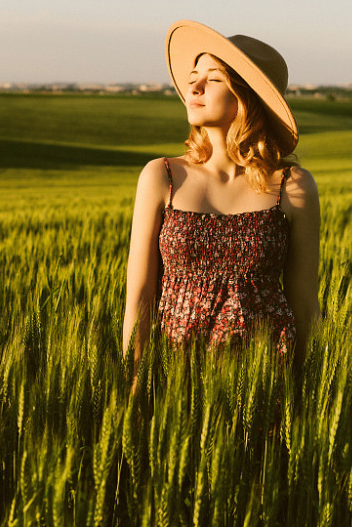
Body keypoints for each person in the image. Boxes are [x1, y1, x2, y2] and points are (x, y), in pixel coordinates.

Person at [122, 20, 321, 377]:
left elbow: (304, 305)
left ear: (246, 99)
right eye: (193, 75)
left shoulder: (293, 187)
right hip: (177, 375)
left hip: (265, 379)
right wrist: (136, 382)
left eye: (213, 79)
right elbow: (139, 297)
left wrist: (304, 393)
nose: (193, 85)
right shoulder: (161, 177)